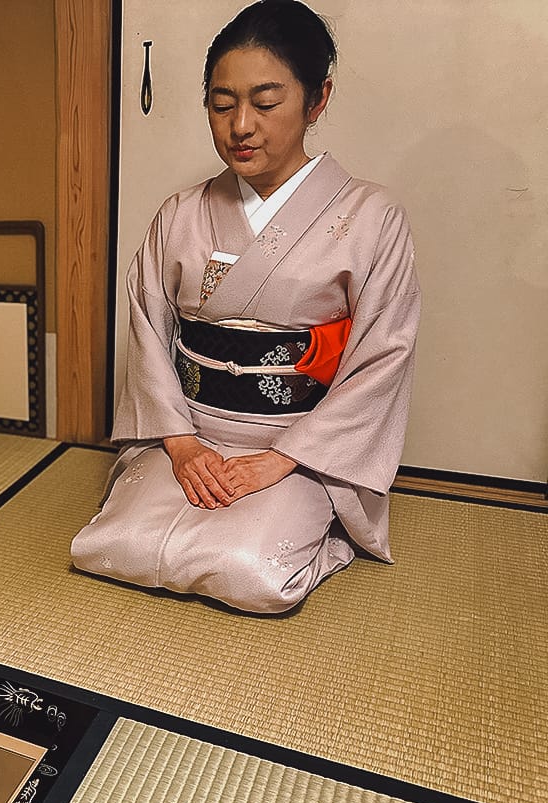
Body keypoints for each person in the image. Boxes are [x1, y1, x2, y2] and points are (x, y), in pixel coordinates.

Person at [71, 0, 420, 614]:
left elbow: (383, 354)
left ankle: (324, 527)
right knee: (109, 546)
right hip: (189, 431)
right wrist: (179, 444)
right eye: (222, 103)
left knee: (252, 575)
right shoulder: (179, 214)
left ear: (317, 99)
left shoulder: (371, 216)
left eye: (265, 102)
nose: (241, 127)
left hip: (297, 442)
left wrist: (285, 457)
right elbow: (149, 332)